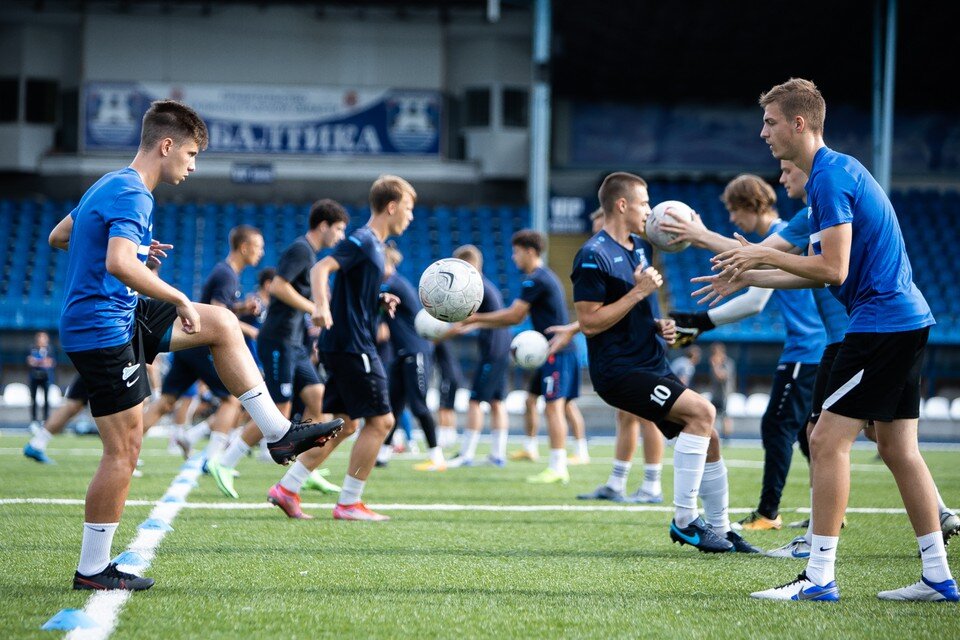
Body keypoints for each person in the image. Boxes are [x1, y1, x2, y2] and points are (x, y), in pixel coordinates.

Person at [50, 100, 342, 591]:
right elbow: (120, 264)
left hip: (120, 314)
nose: (192, 164)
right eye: (190, 153)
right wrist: (174, 292)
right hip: (101, 329)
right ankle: (93, 570)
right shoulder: (134, 194)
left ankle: (278, 433)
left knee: (222, 322)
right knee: (123, 449)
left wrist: (136, 253)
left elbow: (64, 236)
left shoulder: (110, 183)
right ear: (166, 146)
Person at [696, 78, 956, 601]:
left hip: (881, 324)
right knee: (896, 447)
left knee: (823, 439)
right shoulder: (830, 176)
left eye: (770, 122)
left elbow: (832, 267)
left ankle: (818, 577)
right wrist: (752, 274)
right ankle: (938, 576)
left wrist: (760, 257)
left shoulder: (830, 178)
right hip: (901, 320)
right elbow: (815, 273)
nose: (762, 132)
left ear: (798, 123)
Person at [571, 171, 759, 553]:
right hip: (621, 371)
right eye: (644, 202)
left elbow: (628, 311)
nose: (649, 210)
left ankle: (721, 529)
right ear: (622, 205)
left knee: (710, 437)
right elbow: (590, 323)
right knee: (703, 413)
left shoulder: (639, 248)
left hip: (651, 360)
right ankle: (685, 520)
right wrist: (639, 293)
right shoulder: (593, 255)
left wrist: (657, 325)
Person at [671, 174, 828, 531]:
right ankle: (829, 509)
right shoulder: (783, 234)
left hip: (809, 349)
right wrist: (700, 322)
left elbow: (755, 300)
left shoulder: (789, 231)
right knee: (808, 433)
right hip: (810, 348)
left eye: (733, 210)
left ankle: (769, 513)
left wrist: (700, 321)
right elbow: (754, 280)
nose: (732, 219)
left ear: (748, 205)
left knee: (777, 427)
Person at [209, 199, 350, 516]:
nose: (340, 236)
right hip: (278, 340)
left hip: (295, 343)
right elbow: (278, 286)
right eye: (339, 229)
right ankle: (224, 463)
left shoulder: (311, 254)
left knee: (318, 399)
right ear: (324, 225)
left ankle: (303, 468)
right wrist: (313, 308)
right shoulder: (301, 249)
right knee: (279, 409)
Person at [311, 175, 416, 521]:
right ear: (391, 206)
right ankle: (348, 503)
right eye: (408, 208)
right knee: (382, 422)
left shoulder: (374, 247)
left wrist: (377, 299)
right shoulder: (363, 240)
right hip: (353, 346)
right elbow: (321, 268)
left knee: (347, 424)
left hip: (345, 343)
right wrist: (321, 307)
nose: (410, 216)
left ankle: (287, 488)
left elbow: (352, 293)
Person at [458, 230, 579, 485]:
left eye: (516, 252)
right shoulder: (540, 277)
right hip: (547, 352)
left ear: (530, 251)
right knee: (531, 400)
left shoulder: (536, 279)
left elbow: (514, 316)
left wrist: (476, 318)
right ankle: (530, 446)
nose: (513, 258)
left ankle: (558, 466)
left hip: (558, 351)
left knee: (554, 407)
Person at [140, 224, 266, 469]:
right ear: (244, 247)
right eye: (258, 247)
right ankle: (213, 460)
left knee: (166, 401)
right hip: (200, 345)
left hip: (189, 346)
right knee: (232, 400)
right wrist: (250, 329)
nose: (261, 252)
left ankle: (129, 452)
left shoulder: (226, 273)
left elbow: (220, 308)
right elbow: (219, 316)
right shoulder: (227, 275)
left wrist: (240, 308)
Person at [379, 245, 446, 471]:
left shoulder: (393, 284)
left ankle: (437, 457)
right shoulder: (389, 284)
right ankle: (383, 453)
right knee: (394, 406)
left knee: (418, 406)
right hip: (401, 353)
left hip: (414, 351)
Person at [446, 244, 512, 468]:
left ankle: (467, 454)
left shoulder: (477, 286)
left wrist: (439, 330)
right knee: (496, 401)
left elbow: (465, 319)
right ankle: (497, 454)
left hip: (493, 349)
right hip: (501, 346)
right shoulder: (485, 285)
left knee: (475, 400)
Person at [23, 374, 88, 464]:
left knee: (75, 404)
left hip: (95, 365)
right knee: (75, 404)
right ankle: (112, 451)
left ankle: (37, 444)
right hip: (100, 365)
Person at [432, 341, 463, 449]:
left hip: (448, 375)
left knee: (443, 407)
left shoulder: (439, 340)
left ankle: (442, 436)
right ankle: (451, 435)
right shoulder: (447, 342)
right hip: (454, 375)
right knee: (449, 407)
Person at [26, 331, 56, 430]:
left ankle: (45, 421)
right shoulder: (32, 348)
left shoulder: (50, 349)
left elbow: (50, 362)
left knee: (46, 400)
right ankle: (34, 421)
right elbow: (30, 361)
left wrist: (37, 362)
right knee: (33, 400)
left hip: (46, 378)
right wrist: (41, 362)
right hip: (34, 378)